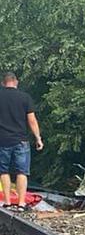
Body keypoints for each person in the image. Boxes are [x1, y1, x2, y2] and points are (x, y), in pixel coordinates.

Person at [0, 72, 43, 210]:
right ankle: (21, 203)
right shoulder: (25, 97)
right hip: (21, 140)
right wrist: (38, 138)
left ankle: (6, 202)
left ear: (3, 83)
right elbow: (32, 120)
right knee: (21, 172)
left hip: (2, 140)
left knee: (3, 171)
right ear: (16, 82)